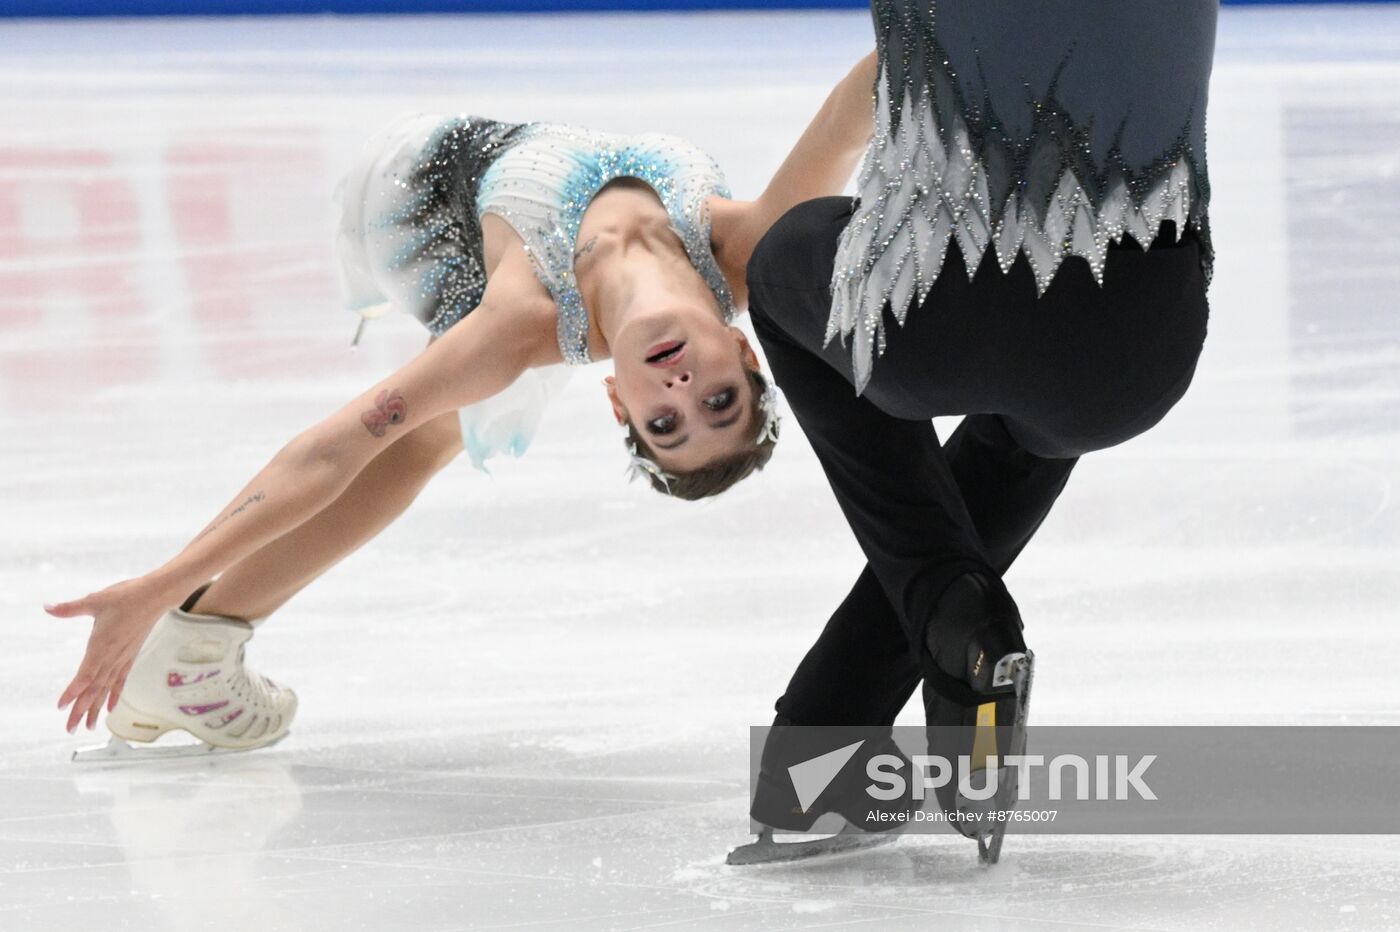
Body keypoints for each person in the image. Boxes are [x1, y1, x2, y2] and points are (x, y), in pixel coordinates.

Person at [47, 52, 882, 758]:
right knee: (436, 427)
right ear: (743, 350)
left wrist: (157, 584)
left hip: (420, 221)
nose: (680, 393)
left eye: (666, 425)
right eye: (719, 399)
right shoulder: (748, 251)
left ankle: (195, 640)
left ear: (617, 404)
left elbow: (329, 449)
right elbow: (856, 108)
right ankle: (200, 644)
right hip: (434, 161)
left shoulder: (515, 325)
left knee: (429, 428)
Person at [735, 0, 1219, 865]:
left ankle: (947, 620)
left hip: (934, 313)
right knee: (1030, 415)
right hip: (1142, 352)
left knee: (783, 261)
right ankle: (828, 731)